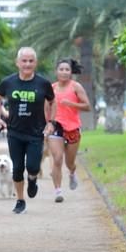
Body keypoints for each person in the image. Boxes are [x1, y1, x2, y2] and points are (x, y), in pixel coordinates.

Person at [0, 47, 56, 214]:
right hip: (15, 132)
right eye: (24, 61)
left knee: (33, 166)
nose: (27, 64)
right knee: (18, 167)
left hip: (36, 132)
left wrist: (51, 122)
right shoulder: (8, 82)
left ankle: (33, 179)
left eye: (31, 61)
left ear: (35, 63)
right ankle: (20, 200)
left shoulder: (43, 83)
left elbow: (52, 101)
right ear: (17, 62)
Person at [47, 59, 91, 203]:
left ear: (71, 72)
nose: (64, 72)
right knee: (57, 159)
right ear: (56, 71)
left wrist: (71, 103)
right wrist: (48, 123)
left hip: (72, 128)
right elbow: (46, 108)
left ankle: (72, 173)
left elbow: (87, 106)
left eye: (67, 70)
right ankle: (58, 191)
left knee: (69, 163)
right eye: (61, 69)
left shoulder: (76, 86)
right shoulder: (51, 88)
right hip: (56, 126)